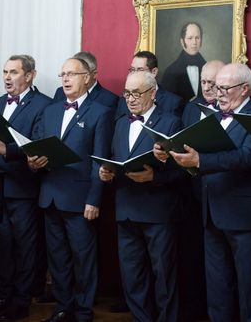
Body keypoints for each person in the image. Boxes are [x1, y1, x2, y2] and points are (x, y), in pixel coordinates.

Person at [157, 63, 251, 322]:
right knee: (217, 285)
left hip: (244, 216)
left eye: (224, 88)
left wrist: (200, 161)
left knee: (249, 286)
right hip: (212, 210)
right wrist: (170, 154)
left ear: (244, 89)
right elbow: (198, 154)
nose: (217, 93)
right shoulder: (215, 116)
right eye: (216, 86)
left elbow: (247, 157)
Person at [28, 57, 113, 322]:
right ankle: (63, 307)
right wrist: (33, 162)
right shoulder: (51, 110)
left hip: (81, 199)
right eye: (62, 74)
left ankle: (84, 311)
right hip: (50, 195)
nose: (65, 79)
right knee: (58, 258)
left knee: (83, 259)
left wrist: (94, 200)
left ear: (87, 77)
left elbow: (100, 160)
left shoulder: (101, 112)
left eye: (71, 74)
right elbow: (37, 149)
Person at [99, 70, 184, 322]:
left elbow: (185, 172)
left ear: (153, 94)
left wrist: (155, 178)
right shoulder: (120, 122)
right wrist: (107, 172)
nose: (131, 98)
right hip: (126, 208)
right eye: (127, 93)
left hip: (158, 211)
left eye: (137, 93)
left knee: (164, 275)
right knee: (132, 275)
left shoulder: (171, 122)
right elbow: (116, 159)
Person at [0, 55, 52, 321]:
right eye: (5, 71)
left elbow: (39, 143)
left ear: (29, 75)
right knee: (2, 244)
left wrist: (7, 150)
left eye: (14, 72)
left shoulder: (44, 105)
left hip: (23, 186)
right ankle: (4, 295)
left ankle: (21, 301)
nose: (7, 77)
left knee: (25, 247)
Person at [179, 59, 224, 321]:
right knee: (192, 256)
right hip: (192, 194)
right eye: (203, 82)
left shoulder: (231, 109)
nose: (206, 88)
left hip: (220, 194)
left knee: (219, 264)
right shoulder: (191, 106)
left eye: (212, 83)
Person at [116, 51, 185, 119]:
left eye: (140, 70)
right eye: (132, 70)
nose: (135, 74)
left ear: (154, 72)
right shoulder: (123, 101)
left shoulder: (173, 102)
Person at [53, 51, 119, 110]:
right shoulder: (60, 93)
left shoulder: (109, 99)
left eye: (72, 74)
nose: (66, 79)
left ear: (94, 74)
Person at [161, 22, 207, 103]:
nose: (194, 42)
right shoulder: (170, 72)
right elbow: (167, 104)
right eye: (190, 38)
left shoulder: (209, 69)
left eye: (197, 38)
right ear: (182, 42)